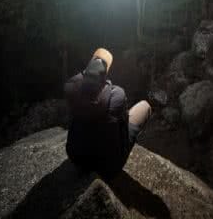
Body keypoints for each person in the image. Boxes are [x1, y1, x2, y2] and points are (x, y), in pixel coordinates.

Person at [64, 47, 152, 180]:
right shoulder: (117, 94)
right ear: (105, 73)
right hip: (108, 168)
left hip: (78, 159)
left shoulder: (71, 89)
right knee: (145, 106)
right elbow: (123, 126)